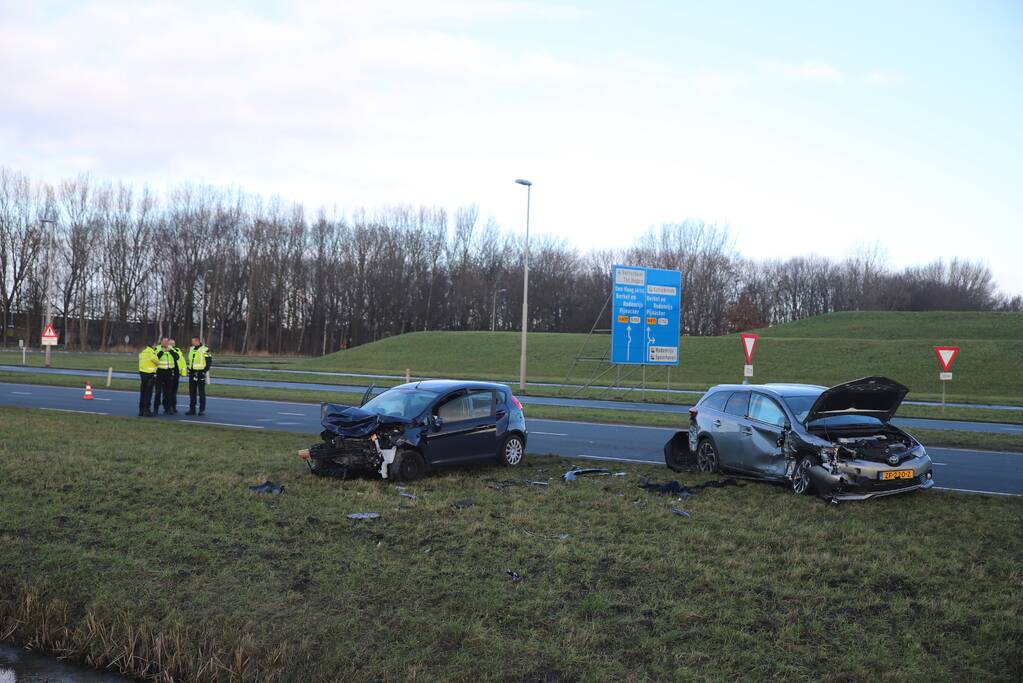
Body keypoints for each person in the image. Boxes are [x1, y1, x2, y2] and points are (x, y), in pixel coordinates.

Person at [185, 335, 213, 416]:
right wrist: (189, 369)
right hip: (192, 373)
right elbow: (191, 361)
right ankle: (192, 409)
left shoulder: (205, 349)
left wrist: (204, 371)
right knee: (192, 392)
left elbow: (209, 361)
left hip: (200, 373)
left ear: (197, 341)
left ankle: (201, 410)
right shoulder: (191, 349)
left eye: (193, 341)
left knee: (201, 392)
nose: (192, 342)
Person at [153, 337, 180, 415]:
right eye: (164, 341)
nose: (166, 343)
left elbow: (177, 357)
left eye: (167, 342)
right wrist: (162, 351)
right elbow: (155, 358)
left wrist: (170, 351)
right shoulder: (157, 348)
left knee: (168, 392)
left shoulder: (171, 348)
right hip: (160, 372)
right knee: (158, 391)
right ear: (161, 342)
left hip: (169, 372)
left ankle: (167, 408)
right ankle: (156, 408)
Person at [137, 342, 159, 417]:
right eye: (155, 345)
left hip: (142, 374)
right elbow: (156, 360)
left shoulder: (143, 352)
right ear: (153, 345)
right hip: (150, 374)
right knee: (148, 393)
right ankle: (147, 410)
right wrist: (158, 362)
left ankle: (141, 410)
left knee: (142, 393)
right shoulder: (151, 352)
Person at [170, 337, 186, 411]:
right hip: (168, 373)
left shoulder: (178, 350)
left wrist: (183, 372)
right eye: (171, 343)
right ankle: (168, 406)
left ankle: (173, 406)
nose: (172, 345)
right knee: (168, 391)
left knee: (174, 391)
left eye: (173, 343)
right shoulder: (166, 351)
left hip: (176, 373)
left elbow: (181, 361)